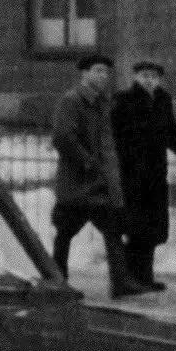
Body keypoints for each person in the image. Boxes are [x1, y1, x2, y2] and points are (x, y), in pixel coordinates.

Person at [50, 55, 140, 298]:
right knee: (65, 233)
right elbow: (62, 137)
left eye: (106, 72)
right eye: (98, 71)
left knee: (112, 229)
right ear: (84, 74)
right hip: (77, 183)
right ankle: (57, 281)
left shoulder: (102, 103)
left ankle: (120, 283)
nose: (103, 76)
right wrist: (87, 162)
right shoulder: (72, 101)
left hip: (98, 183)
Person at [112, 59, 176, 292]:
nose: (149, 80)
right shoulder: (124, 99)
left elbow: (169, 128)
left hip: (156, 173)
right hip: (132, 173)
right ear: (135, 77)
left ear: (159, 79)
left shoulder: (163, 99)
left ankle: (146, 277)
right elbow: (116, 133)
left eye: (153, 76)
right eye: (144, 75)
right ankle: (130, 278)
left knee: (153, 227)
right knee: (136, 226)